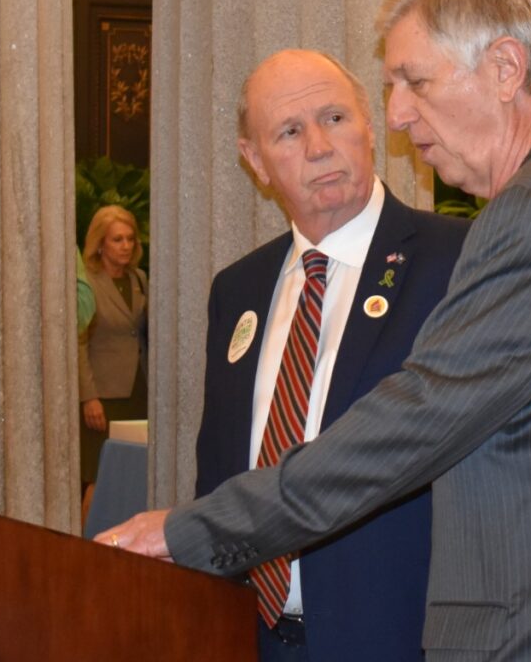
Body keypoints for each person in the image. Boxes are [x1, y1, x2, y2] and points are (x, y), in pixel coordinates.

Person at [98, 0, 531, 660]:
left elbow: (410, 426)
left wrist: (195, 531)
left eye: (415, 81)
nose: (398, 114)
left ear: (504, 67)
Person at [195, 49, 470, 660]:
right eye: (289, 132)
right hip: (253, 636)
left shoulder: (456, 260)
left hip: (401, 636)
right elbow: (219, 474)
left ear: (370, 126)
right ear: (255, 161)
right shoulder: (236, 291)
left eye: (335, 118)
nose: (319, 146)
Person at [79, 205, 147, 520]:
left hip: (138, 390)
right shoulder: (88, 283)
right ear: (100, 244)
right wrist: (88, 396)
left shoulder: (140, 278)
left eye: (130, 239)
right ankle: (83, 546)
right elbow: (79, 343)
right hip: (103, 397)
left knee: (133, 472)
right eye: (117, 239)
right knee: (98, 476)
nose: (125, 246)